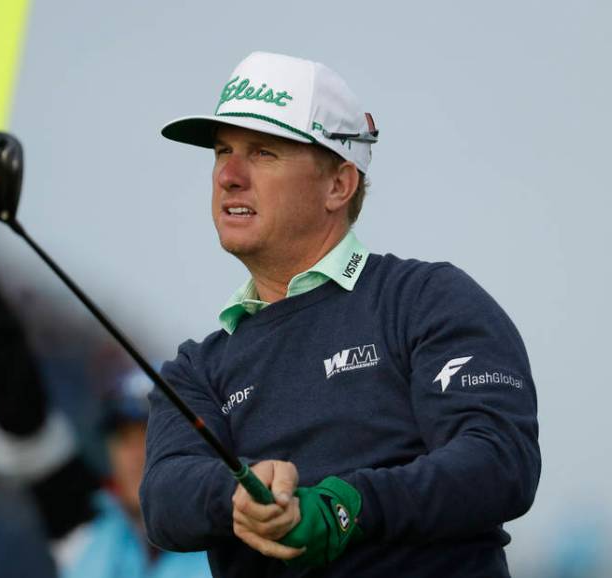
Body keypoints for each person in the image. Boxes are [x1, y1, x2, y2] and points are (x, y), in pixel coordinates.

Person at [140, 51, 541, 577]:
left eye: (263, 153)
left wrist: (346, 505)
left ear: (339, 185)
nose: (229, 176)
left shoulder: (425, 299)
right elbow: (166, 498)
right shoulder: (196, 370)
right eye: (222, 152)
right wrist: (238, 495)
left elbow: (498, 460)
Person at [0, 189, 210, 578]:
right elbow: (20, 414)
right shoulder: (86, 523)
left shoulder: (236, 542)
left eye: (150, 434)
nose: (135, 455)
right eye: (122, 437)